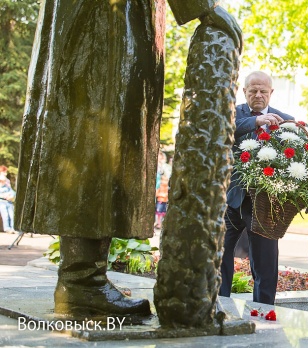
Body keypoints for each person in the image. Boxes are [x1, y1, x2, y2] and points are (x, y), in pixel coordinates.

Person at [14, 0, 242, 318]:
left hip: (93, 17)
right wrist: (202, 6)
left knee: (91, 130)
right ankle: (82, 282)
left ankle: (80, 278)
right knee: (98, 131)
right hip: (106, 18)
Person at [219, 71, 294, 305]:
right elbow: (223, 132)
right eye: (253, 91)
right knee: (219, 255)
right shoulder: (231, 114)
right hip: (230, 200)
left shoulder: (285, 120)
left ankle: (264, 312)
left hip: (265, 207)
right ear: (244, 92)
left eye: (263, 91)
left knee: (265, 263)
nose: (258, 95)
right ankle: (218, 305)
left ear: (271, 93)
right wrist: (256, 121)